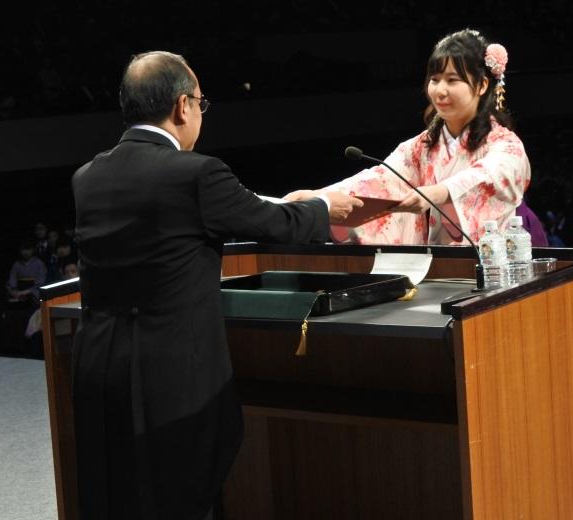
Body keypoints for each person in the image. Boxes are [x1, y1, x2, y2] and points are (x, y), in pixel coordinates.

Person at [70, 51, 361, 520]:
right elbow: (269, 222)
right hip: (170, 376)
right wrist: (324, 208)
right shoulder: (195, 173)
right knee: (180, 496)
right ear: (183, 106)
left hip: (99, 367)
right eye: (201, 104)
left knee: (117, 495)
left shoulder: (87, 177)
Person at [285, 29, 531, 245]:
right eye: (435, 80)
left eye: (452, 80)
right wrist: (319, 197)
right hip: (437, 270)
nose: (440, 90)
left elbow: (491, 174)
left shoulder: (505, 144)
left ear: (482, 85)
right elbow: (379, 180)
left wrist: (440, 192)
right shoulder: (421, 146)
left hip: (491, 270)